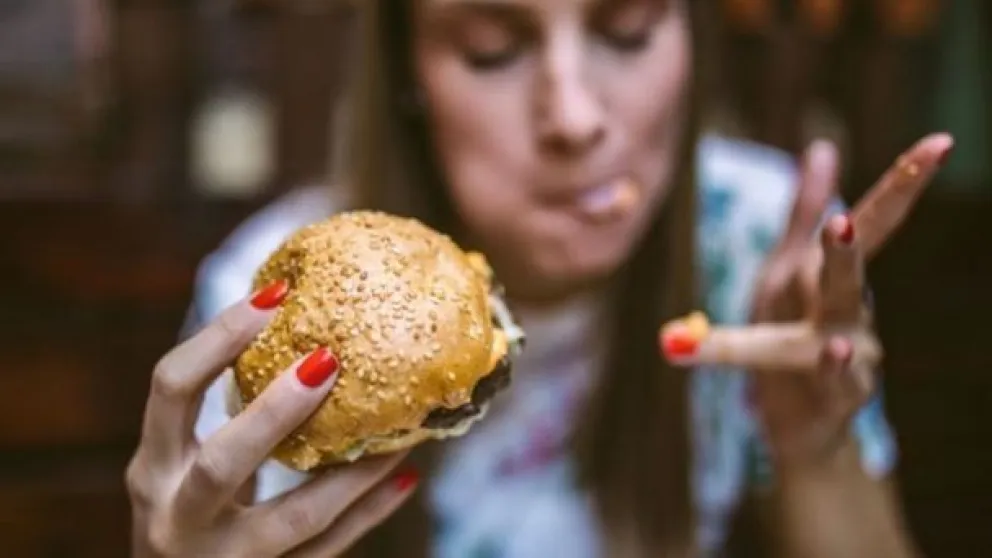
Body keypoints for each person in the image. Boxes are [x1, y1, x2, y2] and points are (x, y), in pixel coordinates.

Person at [125, 0, 953, 556]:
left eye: (626, 30)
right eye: (494, 49)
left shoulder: (764, 244)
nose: (576, 118)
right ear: (410, 74)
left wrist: (816, 452)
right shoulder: (276, 300)